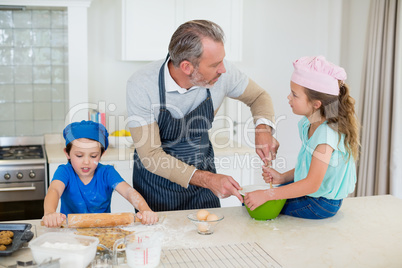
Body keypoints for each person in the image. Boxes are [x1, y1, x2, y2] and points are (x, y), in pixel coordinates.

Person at [126, 20, 279, 211]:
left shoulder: (224, 73)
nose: (223, 69)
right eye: (215, 64)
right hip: (156, 189)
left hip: (203, 189)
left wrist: (263, 129)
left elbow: (258, 96)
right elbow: (151, 156)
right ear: (187, 67)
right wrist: (208, 179)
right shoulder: (142, 85)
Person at [244, 56, 359, 219]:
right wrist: (282, 177)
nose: (288, 97)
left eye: (295, 95)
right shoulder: (308, 124)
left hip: (322, 204)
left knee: (255, 202)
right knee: (256, 198)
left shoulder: (326, 137)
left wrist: (268, 194)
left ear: (316, 104)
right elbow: (310, 168)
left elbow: (312, 184)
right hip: (314, 194)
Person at [42, 120, 158, 227]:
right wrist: (50, 213)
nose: (86, 162)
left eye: (93, 156)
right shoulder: (64, 172)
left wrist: (145, 210)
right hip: (70, 232)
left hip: (102, 230)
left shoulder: (107, 173)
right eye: (79, 155)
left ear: (101, 155)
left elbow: (128, 192)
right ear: (67, 153)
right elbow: (54, 191)